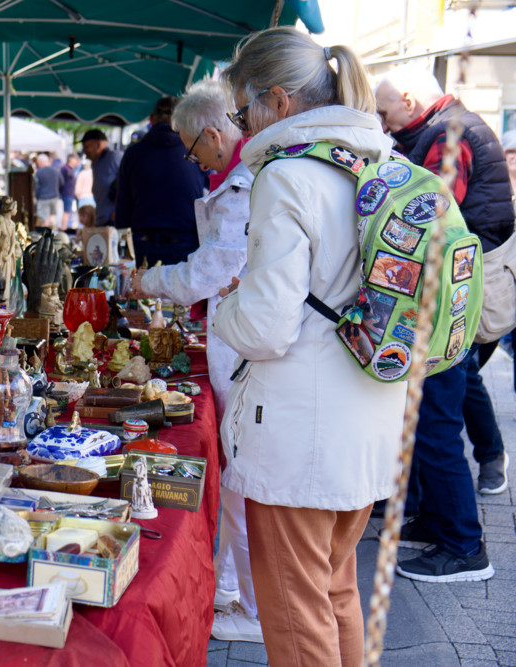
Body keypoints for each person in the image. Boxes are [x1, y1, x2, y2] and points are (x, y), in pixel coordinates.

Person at [213, 27, 407, 664]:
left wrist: (227, 308)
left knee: (297, 614)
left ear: (277, 100)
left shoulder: (287, 175)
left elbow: (266, 327)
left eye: (242, 112)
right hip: (367, 417)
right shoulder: (376, 161)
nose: (242, 126)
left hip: (300, 433)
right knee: (335, 592)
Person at [130, 79, 259, 643]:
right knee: (236, 475)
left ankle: (252, 608)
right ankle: (232, 588)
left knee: (242, 476)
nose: (193, 160)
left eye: (191, 149)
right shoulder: (239, 176)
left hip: (247, 344)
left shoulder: (243, 182)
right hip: (239, 336)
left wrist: (150, 281)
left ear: (212, 133)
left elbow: (211, 270)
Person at [375, 66, 512, 579]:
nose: (383, 123)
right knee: (430, 417)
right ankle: (436, 521)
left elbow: (430, 218)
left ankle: (463, 545)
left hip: (449, 300)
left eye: (385, 112)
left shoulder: (450, 134)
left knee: (435, 422)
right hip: (451, 296)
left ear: (409, 100)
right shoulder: (446, 129)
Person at [114, 96, 207, 265]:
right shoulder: (196, 151)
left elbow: (122, 207)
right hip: (186, 244)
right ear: (183, 120)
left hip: (143, 244)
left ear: (151, 119)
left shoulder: (133, 153)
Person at [80, 129, 122, 226]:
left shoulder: (114, 157)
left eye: (86, 147)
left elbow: (130, 185)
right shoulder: (96, 163)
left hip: (112, 221)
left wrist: (117, 212)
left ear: (99, 144)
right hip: (102, 219)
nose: (83, 151)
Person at [33, 153, 65, 229]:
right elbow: (62, 183)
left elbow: (36, 186)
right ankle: (52, 231)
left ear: (41, 162)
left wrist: (36, 197)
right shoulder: (55, 171)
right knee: (52, 217)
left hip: (43, 198)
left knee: (45, 219)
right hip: (54, 197)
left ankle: (47, 233)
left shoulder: (39, 173)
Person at [59, 153, 80, 229]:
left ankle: (65, 227)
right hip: (67, 193)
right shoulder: (65, 169)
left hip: (70, 193)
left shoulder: (71, 169)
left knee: (68, 212)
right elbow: (61, 182)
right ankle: (64, 228)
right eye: (75, 159)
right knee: (66, 212)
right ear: (71, 159)